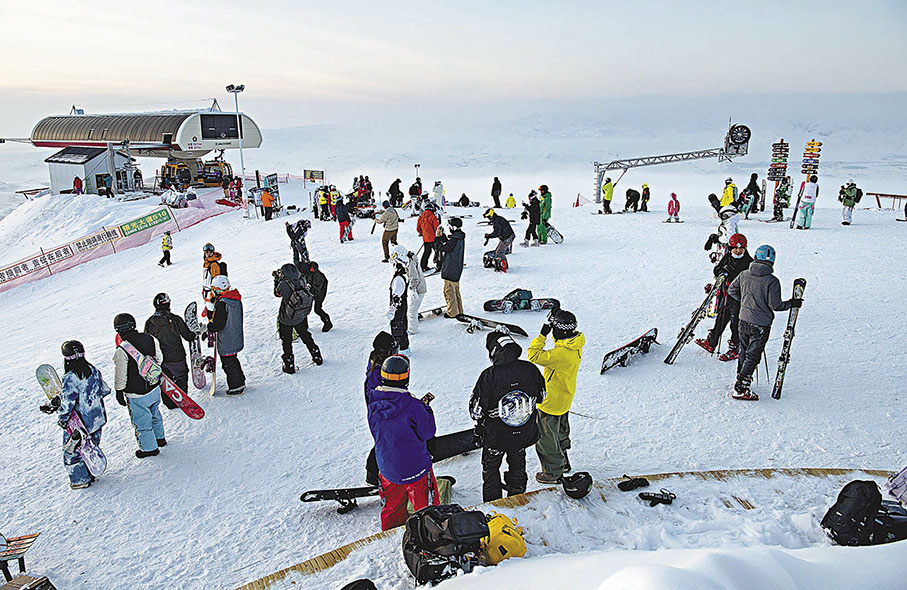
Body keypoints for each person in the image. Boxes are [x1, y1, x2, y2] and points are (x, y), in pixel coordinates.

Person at [470, 330, 545, 501]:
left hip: (496, 437)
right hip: (522, 433)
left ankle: (493, 504)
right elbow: (542, 396)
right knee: (518, 466)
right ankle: (517, 498)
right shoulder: (530, 369)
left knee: (491, 471)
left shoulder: (489, 376)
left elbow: (476, 412)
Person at [367, 355, 439, 530]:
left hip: (387, 468)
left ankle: (390, 534)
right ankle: (429, 533)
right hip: (416, 468)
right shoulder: (413, 406)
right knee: (426, 508)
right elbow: (427, 433)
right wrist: (426, 409)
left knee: (392, 506)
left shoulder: (374, 404)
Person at [727, 245, 802, 400]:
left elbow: (732, 290)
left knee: (744, 351)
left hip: (743, 319)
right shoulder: (772, 281)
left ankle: (740, 377)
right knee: (753, 355)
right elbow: (776, 305)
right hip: (761, 324)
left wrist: (746, 302)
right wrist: (791, 303)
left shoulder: (744, 274)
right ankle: (740, 387)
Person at [529, 309, 585, 484]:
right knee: (560, 432)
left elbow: (533, 355)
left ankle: (553, 472)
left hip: (550, 403)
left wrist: (542, 336)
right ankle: (563, 462)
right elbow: (560, 342)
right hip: (564, 399)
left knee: (546, 438)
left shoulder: (560, 354)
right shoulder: (574, 345)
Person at [50, 340, 111, 488]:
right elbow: (105, 390)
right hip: (96, 418)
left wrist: (63, 418)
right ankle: (90, 471)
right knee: (90, 447)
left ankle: (80, 479)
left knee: (72, 451)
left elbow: (68, 402)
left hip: (80, 423)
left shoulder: (71, 377)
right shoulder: (93, 370)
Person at [113, 313, 166, 458]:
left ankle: (149, 448)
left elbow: (121, 374)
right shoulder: (150, 338)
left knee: (142, 421)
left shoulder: (122, 350)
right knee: (155, 413)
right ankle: (160, 438)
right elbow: (159, 359)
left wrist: (119, 391)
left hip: (135, 394)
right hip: (153, 386)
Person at [695, 233, 752, 358]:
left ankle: (735, 348)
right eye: (735, 248)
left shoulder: (748, 262)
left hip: (738, 298)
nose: (738, 251)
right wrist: (723, 270)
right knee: (721, 318)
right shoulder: (728, 257)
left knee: (735, 322)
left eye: (741, 248)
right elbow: (717, 269)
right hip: (725, 295)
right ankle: (711, 342)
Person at [144, 293, 196, 404]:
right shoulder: (175, 319)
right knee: (180, 378)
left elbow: (147, 341)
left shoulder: (150, 323)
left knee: (166, 381)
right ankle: (182, 400)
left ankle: (169, 402)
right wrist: (195, 333)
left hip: (160, 359)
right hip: (177, 357)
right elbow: (188, 336)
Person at [364, 332, 399, 486]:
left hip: (384, 411)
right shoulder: (377, 373)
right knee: (384, 441)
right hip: (381, 413)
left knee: (387, 440)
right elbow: (379, 396)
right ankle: (372, 472)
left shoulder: (380, 365)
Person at [274, 263, 323, 374]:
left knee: (286, 341)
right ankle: (316, 355)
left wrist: (276, 280)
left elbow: (277, 293)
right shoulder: (302, 279)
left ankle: (289, 365)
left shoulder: (283, 284)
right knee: (306, 336)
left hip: (286, 317)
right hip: (301, 315)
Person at [205, 275, 246, 395]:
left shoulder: (223, 303)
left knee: (228, 364)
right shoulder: (235, 299)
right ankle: (240, 380)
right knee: (233, 360)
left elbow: (219, 324)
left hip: (227, 339)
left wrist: (210, 327)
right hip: (235, 336)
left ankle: (236, 386)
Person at [436, 217, 465, 318]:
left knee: (449, 291)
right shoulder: (458, 237)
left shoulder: (455, 239)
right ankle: (459, 310)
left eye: (449, 226)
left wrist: (437, 240)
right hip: (456, 268)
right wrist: (443, 237)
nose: (448, 228)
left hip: (451, 268)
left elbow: (445, 248)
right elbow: (450, 244)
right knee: (455, 290)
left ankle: (452, 312)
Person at [388, 245, 411, 355]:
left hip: (399, 309)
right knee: (402, 326)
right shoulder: (402, 275)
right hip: (403, 307)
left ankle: (402, 351)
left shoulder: (398, 279)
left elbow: (396, 297)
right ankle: (405, 348)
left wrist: (392, 311)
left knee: (398, 328)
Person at [300, 260, 332, 331]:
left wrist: (308, 293)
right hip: (311, 291)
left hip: (320, 293)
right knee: (303, 309)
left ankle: (328, 323)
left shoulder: (317, 277)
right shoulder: (306, 271)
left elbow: (316, 290)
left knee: (317, 309)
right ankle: (304, 327)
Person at [404, 247, 427, 335]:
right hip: (420, 288)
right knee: (412, 310)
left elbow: (414, 278)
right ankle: (412, 328)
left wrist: (412, 289)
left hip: (418, 290)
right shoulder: (412, 259)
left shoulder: (410, 263)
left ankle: (412, 330)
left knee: (412, 311)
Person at [416, 203, 440, 272]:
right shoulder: (433, 217)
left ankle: (423, 266)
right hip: (433, 238)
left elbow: (418, 228)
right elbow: (436, 228)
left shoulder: (421, 217)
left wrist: (422, 233)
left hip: (426, 239)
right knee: (437, 252)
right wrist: (438, 236)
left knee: (427, 252)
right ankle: (439, 265)